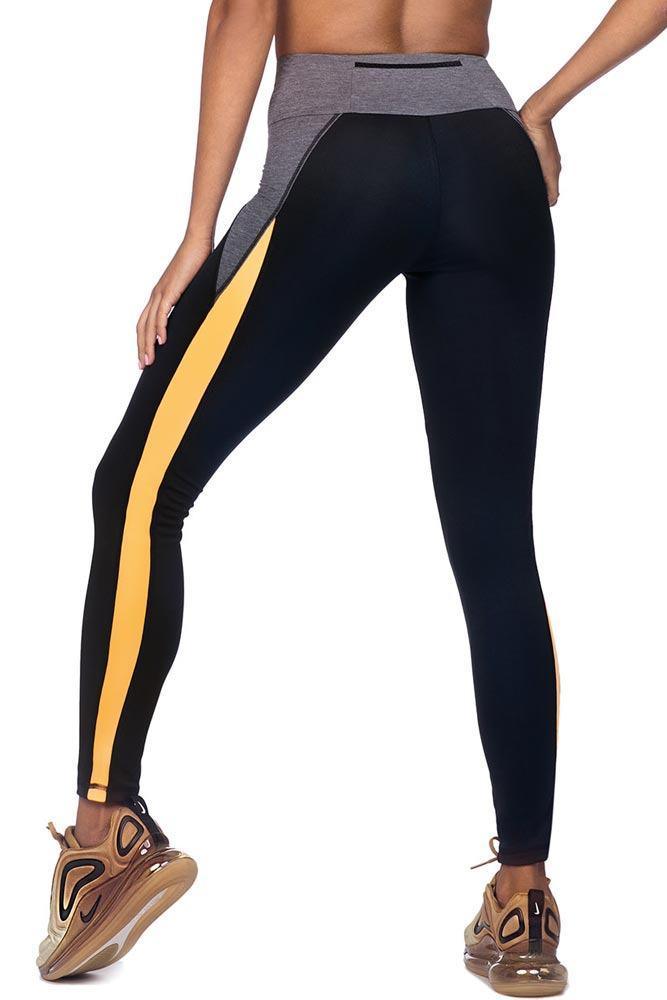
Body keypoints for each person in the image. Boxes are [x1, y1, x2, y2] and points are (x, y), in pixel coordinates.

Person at [38, 0, 667, 992]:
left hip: (342, 150)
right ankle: (522, 898)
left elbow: (244, 7)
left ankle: (103, 835)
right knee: (496, 544)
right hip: (487, 151)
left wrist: (199, 231)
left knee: (139, 488)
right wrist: (542, 107)